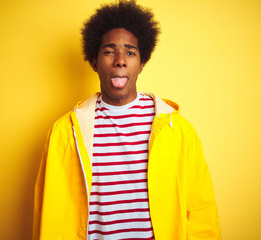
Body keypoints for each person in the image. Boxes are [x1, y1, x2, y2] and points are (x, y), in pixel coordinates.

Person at [33, 1, 221, 239]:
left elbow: (201, 211)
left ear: (142, 63)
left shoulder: (177, 130)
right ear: (94, 61)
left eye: (130, 52)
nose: (120, 60)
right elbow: (49, 216)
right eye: (109, 51)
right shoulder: (64, 133)